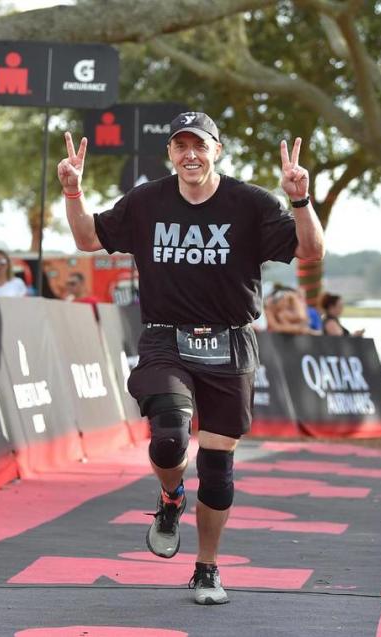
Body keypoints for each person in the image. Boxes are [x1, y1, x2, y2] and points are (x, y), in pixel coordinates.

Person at [58, 111, 324, 605]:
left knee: (218, 467)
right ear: (170, 155)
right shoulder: (146, 202)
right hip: (165, 338)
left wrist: (300, 199)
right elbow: (87, 239)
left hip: (231, 340)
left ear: (216, 150)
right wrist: (73, 192)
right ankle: (170, 497)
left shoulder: (250, 204)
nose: (190, 155)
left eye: (199, 145)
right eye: (181, 146)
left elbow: (310, 250)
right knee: (169, 438)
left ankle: (207, 568)